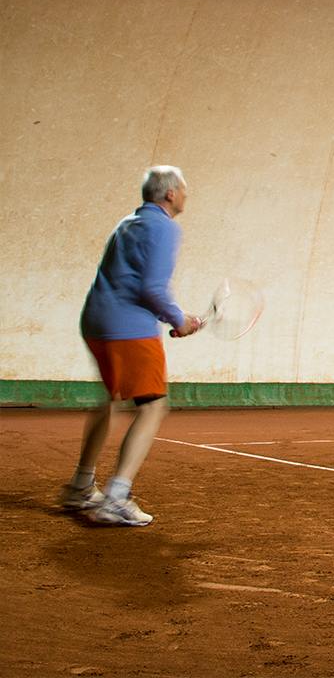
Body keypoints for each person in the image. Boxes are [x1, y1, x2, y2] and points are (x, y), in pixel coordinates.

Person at [61, 166, 203, 526]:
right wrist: (178, 320)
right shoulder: (165, 227)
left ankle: (81, 486)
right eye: (184, 189)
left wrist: (176, 316)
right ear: (169, 194)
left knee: (109, 401)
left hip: (96, 321)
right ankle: (117, 497)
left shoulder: (129, 222)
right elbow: (151, 290)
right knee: (153, 406)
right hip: (129, 329)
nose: (187, 194)